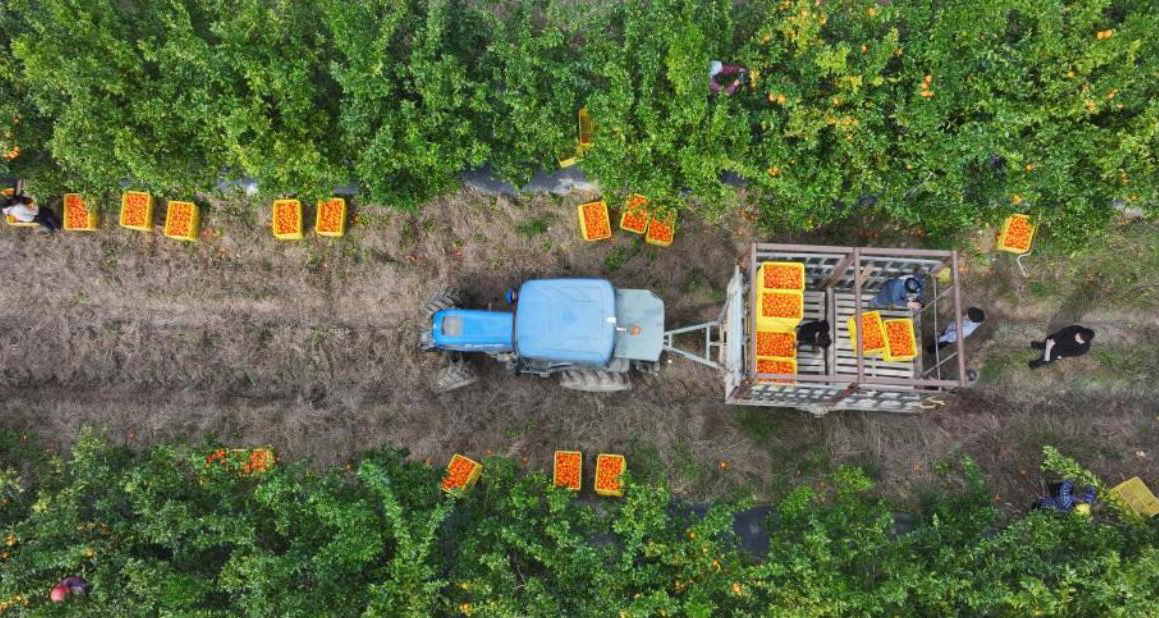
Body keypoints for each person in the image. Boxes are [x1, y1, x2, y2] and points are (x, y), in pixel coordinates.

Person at [1028, 325, 1094, 369]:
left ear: (1084, 342)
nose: (1076, 337)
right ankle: (1040, 346)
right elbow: (1062, 332)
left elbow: (1068, 353)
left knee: (1047, 359)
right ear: (1080, 331)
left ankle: (1036, 364)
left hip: (1059, 351)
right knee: (1045, 344)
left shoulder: (1083, 349)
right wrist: (1054, 340)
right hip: (1056, 340)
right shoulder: (1076, 328)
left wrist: (1055, 349)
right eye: (1078, 335)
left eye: (1079, 339)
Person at [1031, 480, 1096, 515]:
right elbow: (1092, 490)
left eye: (1082, 497)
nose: (1082, 495)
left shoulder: (1067, 503)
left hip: (1052, 503)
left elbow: (1065, 488)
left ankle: (1037, 507)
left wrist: (1075, 478)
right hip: (1056, 500)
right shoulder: (1087, 501)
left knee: (1047, 503)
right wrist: (1086, 482)